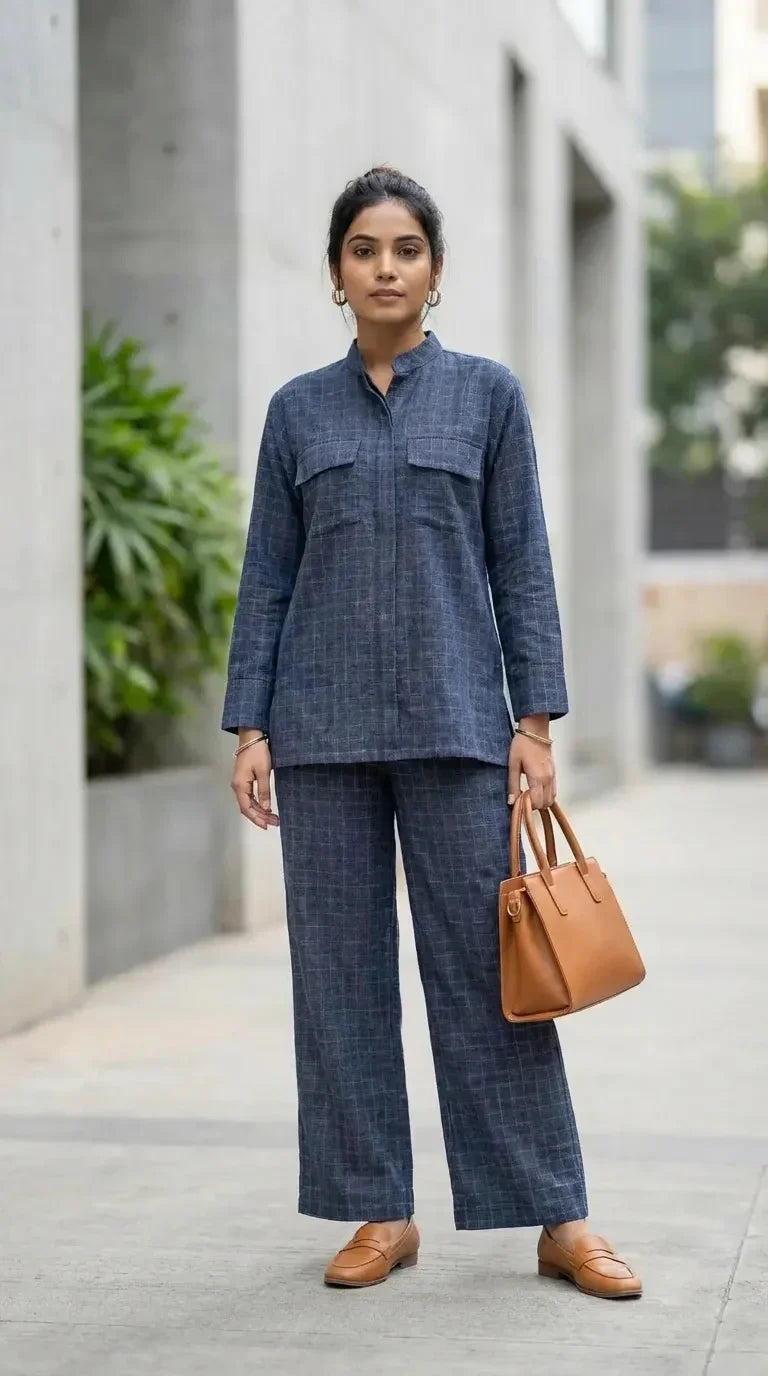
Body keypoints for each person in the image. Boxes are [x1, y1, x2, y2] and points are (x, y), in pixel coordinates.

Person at [222, 166, 641, 1300]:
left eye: (406, 248)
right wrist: (251, 723)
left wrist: (536, 719)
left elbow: (523, 564)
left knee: (493, 976)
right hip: (321, 736)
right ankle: (382, 1210)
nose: (386, 266)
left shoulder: (489, 399)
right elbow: (267, 577)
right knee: (341, 982)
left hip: (461, 729)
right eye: (364, 249)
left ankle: (558, 1214)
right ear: (337, 273)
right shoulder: (296, 413)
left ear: (436, 271)